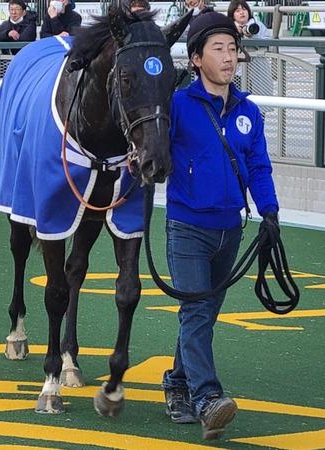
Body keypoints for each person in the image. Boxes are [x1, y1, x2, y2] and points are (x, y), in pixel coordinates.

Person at [161, 11, 279, 441]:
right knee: (196, 310)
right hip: (187, 227)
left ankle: (176, 382)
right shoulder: (175, 105)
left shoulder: (248, 110)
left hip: (232, 230)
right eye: (218, 49)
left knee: (204, 314)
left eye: (232, 49)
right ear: (196, 59)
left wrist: (269, 212)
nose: (229, 57)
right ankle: (208, 397)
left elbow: (258, 165)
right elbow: (151, 147)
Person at [227, 0, 273, 117]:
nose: (242, 13)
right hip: (237, 72)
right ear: (232, 14)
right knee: (236, 105)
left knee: (259, 108)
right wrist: (235, 32)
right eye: (237, 10)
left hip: (258, 70)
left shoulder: (258, 25)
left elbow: (268, 42)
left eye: (244, 9)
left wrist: (253, 35)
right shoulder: (228, 27)